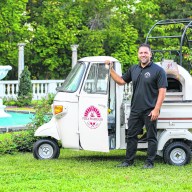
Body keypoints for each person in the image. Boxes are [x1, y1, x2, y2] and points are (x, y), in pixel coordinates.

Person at [105, 43, 167, 168]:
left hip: (150, 110)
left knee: (151, 137)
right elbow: (121, 81)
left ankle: (149, 162)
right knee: (132, 135)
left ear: (150, 54)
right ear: (138, 55)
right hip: (135, 110)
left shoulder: (158, 71)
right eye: (141, 53)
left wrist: (156, 109)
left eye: (146, 52)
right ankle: (128, 161)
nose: (143, 55)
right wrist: (110, 69)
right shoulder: (134, 69)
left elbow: (162, 91)